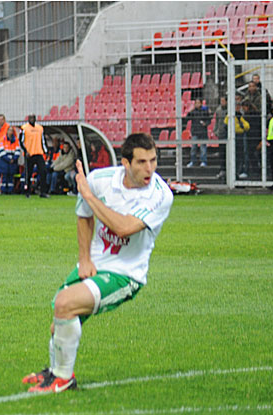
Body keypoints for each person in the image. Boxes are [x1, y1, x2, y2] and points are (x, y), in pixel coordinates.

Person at [22, 133, 173, 393]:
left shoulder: (160, 195)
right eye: (141, 162)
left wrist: (90, 197)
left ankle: (63, 379)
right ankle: (54, 371)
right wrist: (84, 259)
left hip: (126, 274)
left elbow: (124, 227)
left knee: (65, 305)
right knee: (60, 319)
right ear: (125, 163)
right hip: (95, 263)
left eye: (153, 160)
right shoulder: (100, 180)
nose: (149, 169)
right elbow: (84, 215)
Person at [20, 114, 50, 198]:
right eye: (30, 118)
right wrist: (26, 151)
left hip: (39, 153)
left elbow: (43, 141)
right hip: (29, 154)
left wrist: (46, 151)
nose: (32, 119)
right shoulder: (24, 128)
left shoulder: (40, 128)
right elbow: (21, 141)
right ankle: (27, 191)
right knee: (28, 174)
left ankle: (43, 192)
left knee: (43, 171)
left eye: (33, 118)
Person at [224, 102, 251, 178]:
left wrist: (240, 127)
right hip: (233, 137)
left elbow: (247, 126)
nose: (238, 108)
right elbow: (227, 126)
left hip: (240, 137)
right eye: (236, 106)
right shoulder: (229, 116)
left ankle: (238, 172)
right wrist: (240, 127)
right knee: (233, 155)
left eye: (239, 106)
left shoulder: (241, 116)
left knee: (240, 155)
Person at [184, 98, 211, 167]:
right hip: (195, 132)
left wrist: (205, 123)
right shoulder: (193, 112)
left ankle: (204, 161)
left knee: (203, 148)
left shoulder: (205, 111)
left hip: (203, 132)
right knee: (193, 147)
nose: (197, 104)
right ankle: (193, 161)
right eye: (196, 103)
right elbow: (186, 119)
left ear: (201, 103)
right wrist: (189, 112)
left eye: (198, 103)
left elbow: (209, 120)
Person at [0, 126, 20, 194]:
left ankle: (10, 190)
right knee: (4, 176)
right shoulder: (2, 140)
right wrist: (8, 159)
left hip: (12, 162)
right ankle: (3, 190)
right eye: (9, 130)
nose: (10, 132)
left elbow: (18, 151)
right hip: (4, 161)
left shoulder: (16, 140)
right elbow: (1, 151)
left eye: (12, 130)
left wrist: (13, 159)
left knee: (10, 177)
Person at [213, 96, 228, 178]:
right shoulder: (218, 110)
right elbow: (216, 121)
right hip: (221, 135)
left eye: (223, 101)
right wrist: (216, 131)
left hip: (228, 134)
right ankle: (222, 170)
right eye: (221, 101)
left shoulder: (230, 110)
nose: (222, 102)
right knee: (222, 153)